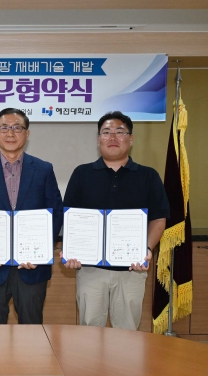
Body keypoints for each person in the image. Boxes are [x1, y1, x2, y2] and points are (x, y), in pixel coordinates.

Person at [61, 111, 170, 331]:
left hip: (132, 269)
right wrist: (70, 250)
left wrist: (146, 249)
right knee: (90, 331)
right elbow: (70, 217)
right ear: (98, 139)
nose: (112, 137)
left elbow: (158, 218)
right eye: (106, 132)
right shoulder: (82, 174)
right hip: (90, 270)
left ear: (131, 139)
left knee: (127, 333)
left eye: (120, 132)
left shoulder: (148, 176)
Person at [0, 108, 63, 324]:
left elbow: (55, 212)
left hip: (31, 267)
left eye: (17, 128)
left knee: (31, 331)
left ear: (27, 133)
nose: (10, 133)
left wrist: (40, 252)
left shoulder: (44, 169)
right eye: (4, 128)